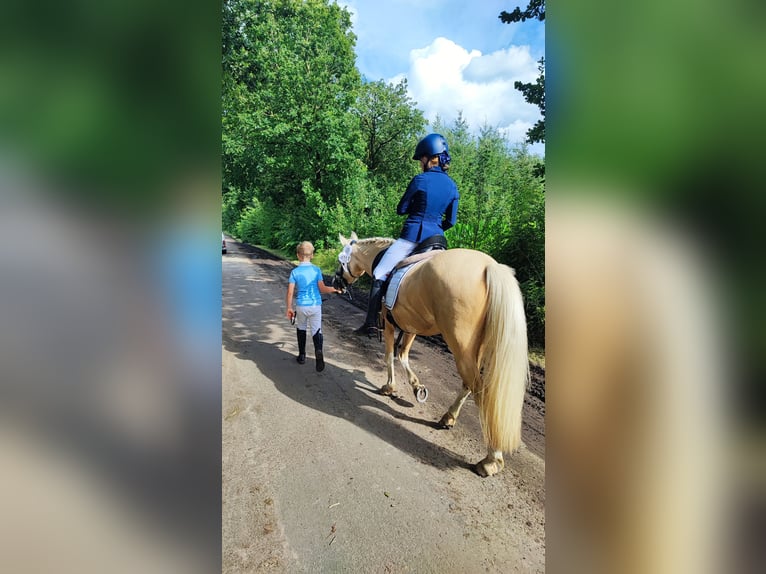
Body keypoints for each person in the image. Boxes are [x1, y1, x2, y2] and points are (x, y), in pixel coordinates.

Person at [354, 133, 459, 337]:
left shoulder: (420, 180)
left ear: (429, 158)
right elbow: (451, 221)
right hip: (437, 240)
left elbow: (401, 209)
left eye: (422, 159)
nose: (421, 163)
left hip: (412, 237)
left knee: (379, 273)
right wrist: (435, 230)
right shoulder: (452, 186)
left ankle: (371, 324)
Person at [285, 241, 342, 371]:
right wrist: (334, 289)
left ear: (298, 255)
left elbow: (290, 292)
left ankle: (302, 355)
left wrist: (289, 308)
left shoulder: (295, 272)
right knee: (317, 330)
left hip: (301, 306)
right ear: (312, 255)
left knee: (301, 329)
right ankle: (318, 351)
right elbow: (322, 288)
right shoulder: (316, 270)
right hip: (315, 305)